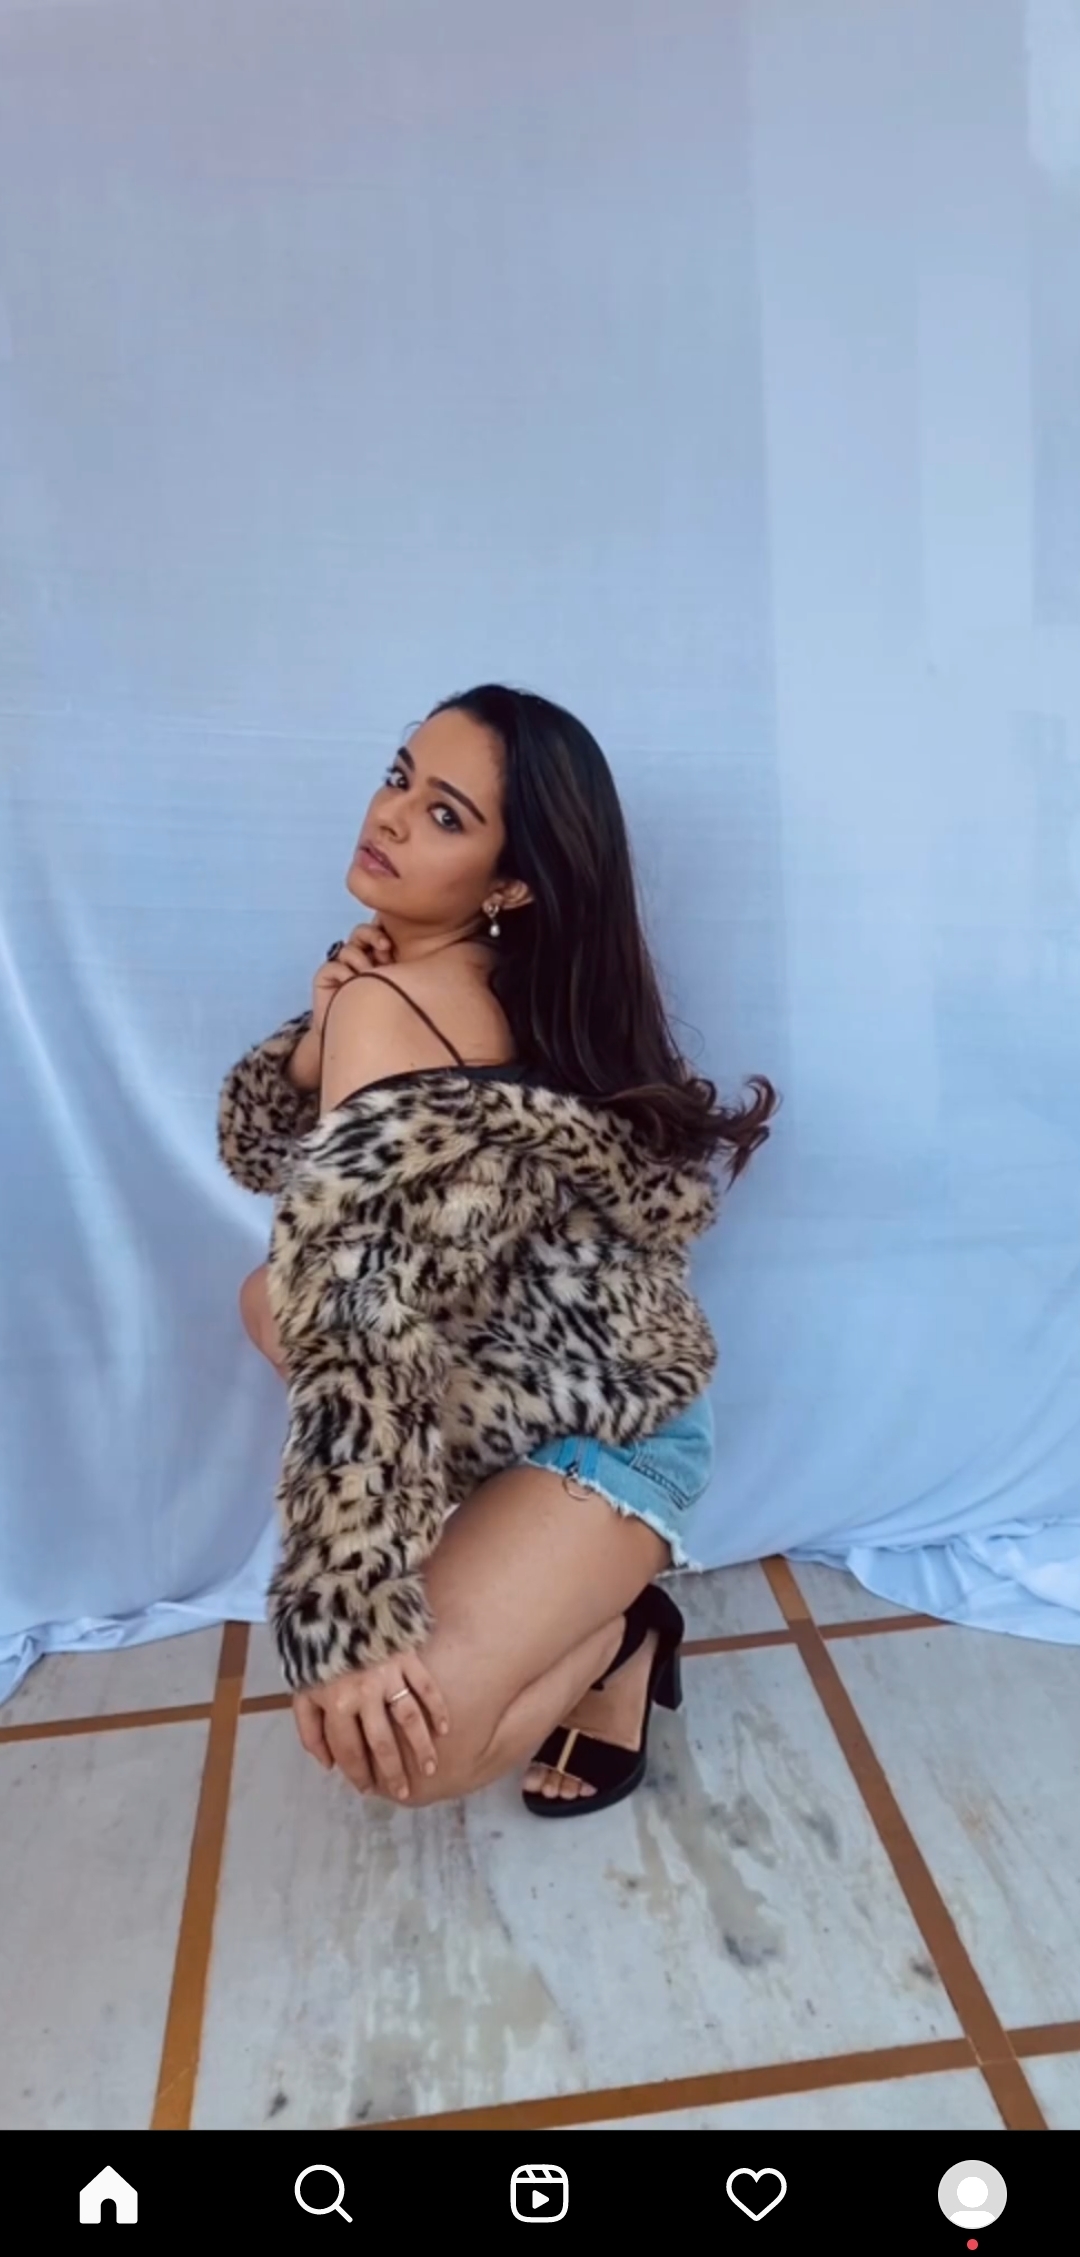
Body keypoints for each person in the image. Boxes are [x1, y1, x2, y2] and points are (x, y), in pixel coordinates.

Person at [220, 685, 776, 1820]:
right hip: (531, 1382)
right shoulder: (465, 985)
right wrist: (323, 1030)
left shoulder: (396, 1002)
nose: (390, 814)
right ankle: (532, 1558)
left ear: (511, 884)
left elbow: (360, 1319)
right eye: (399, 777)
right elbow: (285, 1180)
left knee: (409, 1755)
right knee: (266, 1295)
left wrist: (346, 1602)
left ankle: (623, 1636)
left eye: (446, 814)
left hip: (616, 1433)